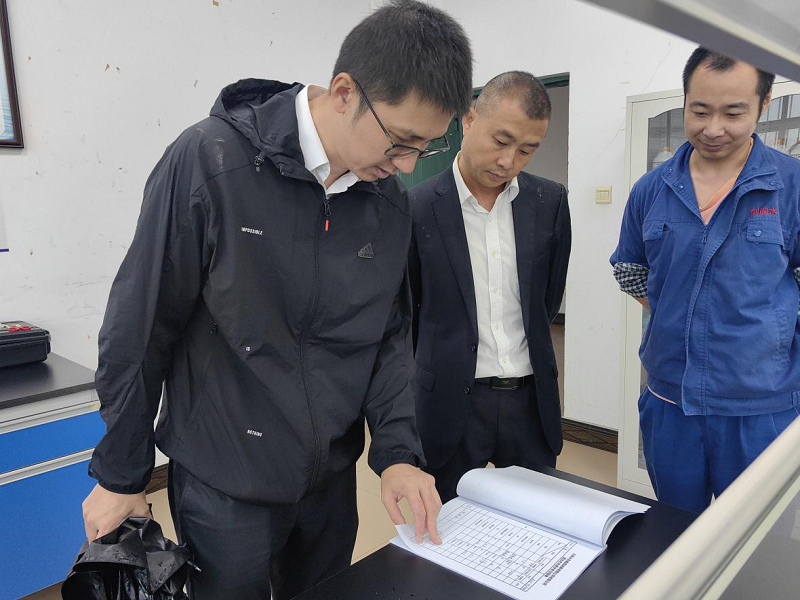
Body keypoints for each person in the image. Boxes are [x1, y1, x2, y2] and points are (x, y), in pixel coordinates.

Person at [81, 2, 473, 598]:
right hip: (225, 482)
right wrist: (120, 473)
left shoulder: (386, 199)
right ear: (344, 92)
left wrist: (398, 453)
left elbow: (388, 337)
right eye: (401, 142)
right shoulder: (211, 162)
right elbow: (140, 326)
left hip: (328, 482)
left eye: (427, 148)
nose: (408, 166)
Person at [611, 47, 800, 514]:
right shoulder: (651, 189)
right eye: (699, 111)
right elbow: (630, 269)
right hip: (670, 400)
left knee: (754, 539)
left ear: (765, 102)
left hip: (761, 407)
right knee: (676, 531)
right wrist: (678, 313)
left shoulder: (792, 186)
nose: (713, 129)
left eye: (733, 113)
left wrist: (768, 338)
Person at [408, 71, 571, 503]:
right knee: (447, 526)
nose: (508, 161)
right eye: (501, 141)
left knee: (535, 523)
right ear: (468, 120)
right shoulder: (416, 207)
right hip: (449, 402)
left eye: (527, 150)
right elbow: (408, 312)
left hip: (530, 403)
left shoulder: (550, 202)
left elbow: (547, 300)